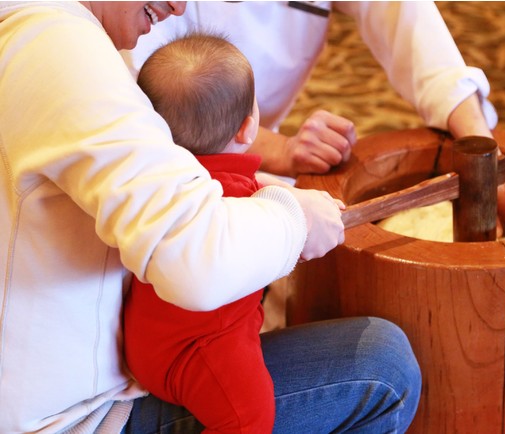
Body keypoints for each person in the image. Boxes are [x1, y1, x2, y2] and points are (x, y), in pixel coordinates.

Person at [0, 2, 421, 433]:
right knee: (383, 371)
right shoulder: (59, 50)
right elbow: (194, 264)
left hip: (124, 362)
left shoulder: (65, 35)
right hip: (75, 418)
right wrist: (295, 218)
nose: (180, 6)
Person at [123, 1, 505, 236]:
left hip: (253, 139)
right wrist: (282, 150)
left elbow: (407, 21)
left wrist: (482, 147)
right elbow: (157, 108)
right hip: (178, 172)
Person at [125, 32, 282, 433]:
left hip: (145, 341)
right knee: (252, 417)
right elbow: (278, 244)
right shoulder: (239, 200)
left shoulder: (154, 181)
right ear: (248, 129)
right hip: (201, 352)